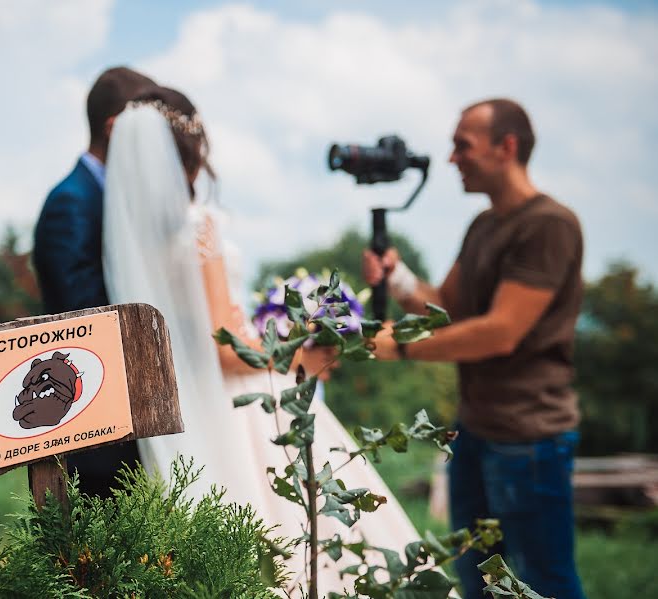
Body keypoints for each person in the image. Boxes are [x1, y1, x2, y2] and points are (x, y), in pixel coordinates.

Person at [102, 87, 422, 595]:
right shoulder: (198, 229)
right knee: (306, 534)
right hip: (241, 400)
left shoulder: (132, 245)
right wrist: (303, 348)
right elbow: (229, 350)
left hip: (189, 402)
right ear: (192, 153)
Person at [364, 98, 586, 599]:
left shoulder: (549, 225)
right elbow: (445, 307)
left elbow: (499, 331)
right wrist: (396, 277)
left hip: (529, 439)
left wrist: (397, 345)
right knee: (479, 578)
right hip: (476, 433)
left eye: (462, 146)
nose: (450, 160)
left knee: (541, 581)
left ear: (506, 147)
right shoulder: (484, 226)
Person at [32, 66, 155, 498]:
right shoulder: (72, 202)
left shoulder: (116, 199)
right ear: (115, 127)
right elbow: (81, 318)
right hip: (99, 434)